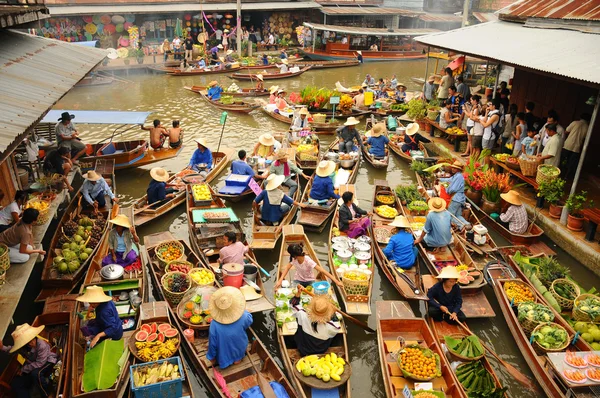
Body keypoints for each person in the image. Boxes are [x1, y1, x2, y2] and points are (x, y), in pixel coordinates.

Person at [0, 322, 58, 398]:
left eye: (32, 340)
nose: (31, 343)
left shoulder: (41, 345)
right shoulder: (23, 347)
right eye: (28, 342)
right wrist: (2, 347)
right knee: (16, 383)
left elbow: (40, 363)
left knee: (36, 373)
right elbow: (11, 349)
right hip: (32, 366)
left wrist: (23, 369)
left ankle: (48, 394)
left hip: (47, 361)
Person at [207, 287, 253, 369]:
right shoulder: (244, 316)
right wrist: (245, 311)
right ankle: (237, 359)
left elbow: (212, 343)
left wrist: (211, 357)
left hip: (224, 355)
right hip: (240, 348)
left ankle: (227, 362)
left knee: (222, 351)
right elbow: (249, 321)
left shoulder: (214, 324)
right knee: (238, 351)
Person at [288, 286, 340, 356]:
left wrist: (298, 293)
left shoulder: (302, 314)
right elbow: (337, 326)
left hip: (303, 350)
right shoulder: (331, 326)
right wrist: (333, 312)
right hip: (321, 350)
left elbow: (293, 304)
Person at [275, 243, 341, 289]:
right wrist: (280, 280)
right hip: (298, 279)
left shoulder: (308, 261)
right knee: (294, 292)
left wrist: (337, 282)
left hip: (310, 280)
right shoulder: (293, 259)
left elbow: (322, 270)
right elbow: (287, 268)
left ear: (294, 255)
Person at [439, 161, 469, 229]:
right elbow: (449, 180)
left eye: (454, 168)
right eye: (452, 168)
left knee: (450, 216)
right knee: (458, 215)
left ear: (458, 170)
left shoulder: (459, 177)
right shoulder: (456, 176)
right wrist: (439, 179)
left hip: (456, 199)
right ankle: (467, 224)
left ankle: (462, 227)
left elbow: (452, 189)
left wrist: (446, 189)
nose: (452, 169)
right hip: (460, 199)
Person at [562, 113, 591, 179]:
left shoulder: (575, 123)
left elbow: (566, 131)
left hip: (568, 145)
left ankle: (561, 173)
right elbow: (586, 138)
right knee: (571, 163)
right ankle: (567, 176)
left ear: (580, 117)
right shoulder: (588, 127)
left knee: (563, 160)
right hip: (576, 148)